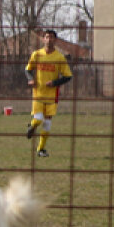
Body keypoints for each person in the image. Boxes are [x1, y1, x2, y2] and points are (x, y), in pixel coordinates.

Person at [22, 29, 74, 157]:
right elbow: (28, 70)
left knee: (47, 122)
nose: (49, 39)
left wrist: (55, 82)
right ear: (43, 39)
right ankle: (32, 126)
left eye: (51, 37)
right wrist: (30, 79)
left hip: (52, 95)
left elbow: (68, 76)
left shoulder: (59, 57)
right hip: (38, 93)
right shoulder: (37, 54)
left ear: (55, 40)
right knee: (38, 119)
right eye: (47, 37)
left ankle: (40, 149)